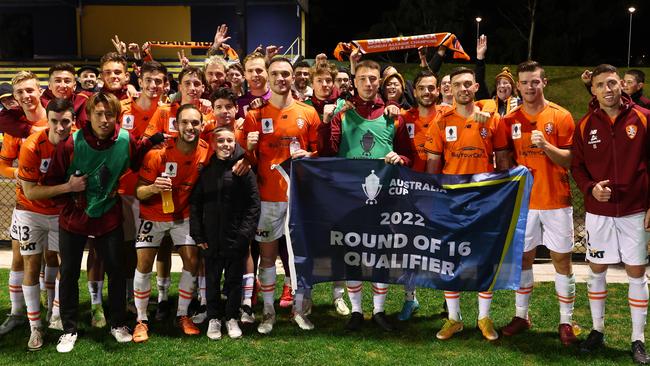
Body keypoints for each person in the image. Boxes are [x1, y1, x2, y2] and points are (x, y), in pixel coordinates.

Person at [44, 92, 163, 353]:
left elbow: (134, 157)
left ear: (117, 116)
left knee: (117, 271)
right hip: (75, 217)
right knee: (70, 274)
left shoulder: (124, 139)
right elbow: (52, 181)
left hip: (109, 214)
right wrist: (71, 197)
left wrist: (153, 142)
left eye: (110, 114)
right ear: (88, 114)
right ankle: (69, 328)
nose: (105, 119)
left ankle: (118, 323)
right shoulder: (71, 144)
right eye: (98, 113)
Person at [318, 59, 413, 333]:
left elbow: (410, 156)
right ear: (354, 82)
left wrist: (400, 157)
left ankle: (379, 311)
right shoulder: (342, 114)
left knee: (381, 253)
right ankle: (357, 310)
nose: (369, 83)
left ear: (379, 83)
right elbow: (327, 153)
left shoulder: (393, 115)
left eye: (373, 79)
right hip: (350, 196)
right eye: (363, 79)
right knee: (353, 254)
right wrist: (325, 123)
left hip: (384, 197)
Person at [494, 61, 578, 346]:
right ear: (518, 85)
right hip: (525, 203)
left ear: (545, 83)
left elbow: (569, 160)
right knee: (523, 259)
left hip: (556, 200)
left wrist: (546, 146)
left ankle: (566, 320)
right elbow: (505, 159)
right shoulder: (509, 120)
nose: (530, 87)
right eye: (525, 82)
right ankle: (522, 315)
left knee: (562, 261)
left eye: (535, 82)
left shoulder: (562, 115)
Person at [571, 64, 650, 364]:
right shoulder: (584, 125)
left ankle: (638, 339)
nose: (608, 89)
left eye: (613, 83)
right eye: (601, 84)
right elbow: (576, 167)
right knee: (596, 269)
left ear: (623, 86)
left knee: (636, 273)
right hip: (599, 212)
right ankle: (597, 330)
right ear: (593, 89)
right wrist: (590, 188)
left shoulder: (644, 119)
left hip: (635, 210)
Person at [424, 66, 509, 341]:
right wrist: (432, 196)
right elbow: (433, 164)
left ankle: (484, 317)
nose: (463, 88)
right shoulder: (441, 121)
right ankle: (454, 318)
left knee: (485, 255)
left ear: (475, 88)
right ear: (451, 88)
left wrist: (501, 192)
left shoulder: (491, 118)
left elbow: (504, 160)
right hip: (451, 198)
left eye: (468, 84)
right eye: (457, 84)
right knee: (451, 257)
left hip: (484, 198)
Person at [238, 57, 320, 334]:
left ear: (294, 77)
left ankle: (300, 309)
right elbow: (246, 160)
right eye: (276, 74)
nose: (281, 78)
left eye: (286, 73)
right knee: (269, 256)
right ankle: (268, 312)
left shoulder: (308, 113)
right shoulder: (255, 115)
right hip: (268, 198)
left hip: (299, 199)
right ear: (268, 78)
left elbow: (319, 154)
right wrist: (248, 148)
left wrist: (308, 155)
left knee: (299, 257)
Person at [132, 103, 212, 342]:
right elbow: (139, 192)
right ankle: (141, 319)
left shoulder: (206, 151)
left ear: (201, 125)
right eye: (185, 122)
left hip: (183, 217)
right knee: (144, 264)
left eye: (195, 123)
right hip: (153, 216)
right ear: (176, 125)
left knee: (192, 260)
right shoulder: (157, 154)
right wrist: (154, 187)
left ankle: (182, 314)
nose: (190, 127)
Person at [16, 98, 84, 350]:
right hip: (30, 212)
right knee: (32, 266)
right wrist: (68, 187)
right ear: (48, 120)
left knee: (64, 263)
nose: (60, 127)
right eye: (54, 121)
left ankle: (56, 313)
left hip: (61, 213)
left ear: (73, 121)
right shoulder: (32, 146)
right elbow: (31, 192)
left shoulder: (79, 142)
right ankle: (35, 328)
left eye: (65, 121)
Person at [190, 126, 260, 340]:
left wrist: (244, 235)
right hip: (211, 238)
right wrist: (198, 234)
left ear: (235, 143)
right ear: (213, 144)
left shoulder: (244, 170)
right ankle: (213, 317)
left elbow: (253, 206)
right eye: (221, 141)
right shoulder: (206, 171)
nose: (226, 145)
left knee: (233, 280)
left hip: (235, 238)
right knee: (211, 279)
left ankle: (231, 317)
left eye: (230, 141)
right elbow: (196, 204)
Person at [0, 71, 49, 337]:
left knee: (54, 259)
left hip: (55, 204)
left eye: (30, 90)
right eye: (20, 93)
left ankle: (54, 313)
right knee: (19, 260)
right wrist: (18, 174)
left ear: (40, 90)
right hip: (25, 204)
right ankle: (18, 313)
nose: (26, 97)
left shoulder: (58, 120)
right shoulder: (14, 130)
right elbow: (3, 164)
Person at [397, 70, 447, 321]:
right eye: (422, 88)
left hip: (441, 192)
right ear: (414, 92)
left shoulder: (448, 115)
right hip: (411, 191)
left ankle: (450, 300)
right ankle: (410, 298)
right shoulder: (403, 118)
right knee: (410, 248)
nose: (427, 92)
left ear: (438, 90)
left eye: (431, 88)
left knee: (443, 248)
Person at [474, 35, 521, 117]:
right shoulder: (488, 102)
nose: (501, 86)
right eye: (498, 83)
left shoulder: (521, 104)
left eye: (505, 83)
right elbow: (479, 80)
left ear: (513, 87)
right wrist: (480, 58)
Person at [236, 52, 271, 119]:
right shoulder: (239, 103)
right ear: (245, 75)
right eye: (250, 71)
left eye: (259, 70)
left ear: (267, 72)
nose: (254, 74)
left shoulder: (277, 99)